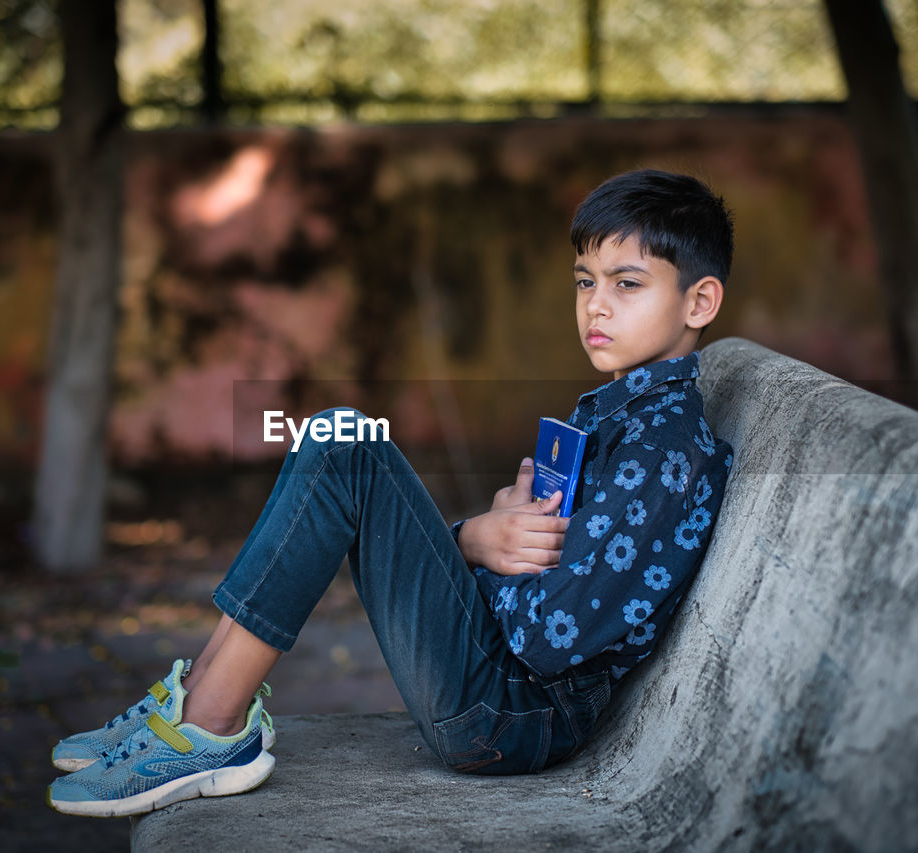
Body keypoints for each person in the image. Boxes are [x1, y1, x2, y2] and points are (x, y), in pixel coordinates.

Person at [46, 168, 735, 817]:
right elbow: (543, 569)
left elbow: (545, 639)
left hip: (513, 714)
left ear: (699, 300)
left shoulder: (664, 451)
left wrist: (491, 555)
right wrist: (475, 536)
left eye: (628, 284)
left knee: (346, 444)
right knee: (336, 436)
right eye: (585, 281)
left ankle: (209, 725)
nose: (596, 304)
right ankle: (200, 695)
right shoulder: (620, 413)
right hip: (499, 686)